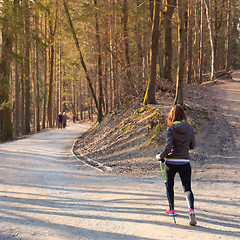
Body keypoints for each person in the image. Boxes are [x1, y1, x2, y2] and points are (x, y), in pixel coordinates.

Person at [156, 104, 197, 226]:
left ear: (172, 115)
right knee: (187, 188)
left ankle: (171, 209)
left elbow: (168, 147)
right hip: (184, 162)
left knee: (170, 186)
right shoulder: (190, 128)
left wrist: (160, 156)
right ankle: (191, 210)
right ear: (183, 115)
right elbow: (192, 146)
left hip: (171, 163)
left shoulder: (171, 128)